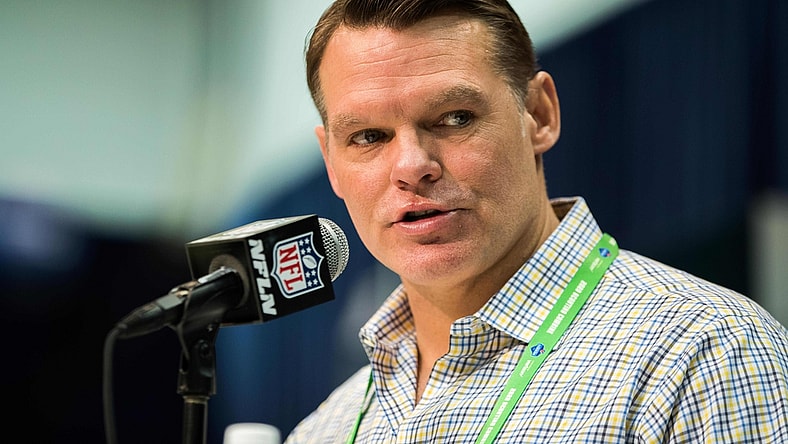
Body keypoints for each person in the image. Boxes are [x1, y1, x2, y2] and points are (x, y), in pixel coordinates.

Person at [285, 0, 788, 442]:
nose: (412, 166)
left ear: (540, 114)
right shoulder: (324, 429)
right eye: (369, 137)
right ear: (331, 162)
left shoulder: (702, 353)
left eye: (456, 118)